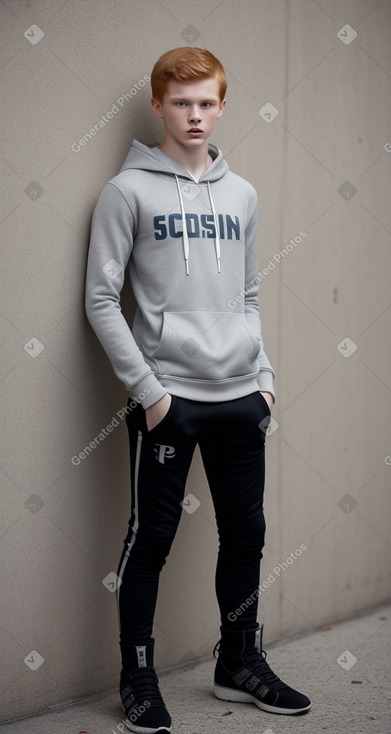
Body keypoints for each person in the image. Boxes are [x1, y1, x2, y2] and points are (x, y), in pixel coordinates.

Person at [85, 46, 311, 734]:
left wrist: (263, 382)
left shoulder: (240, 195)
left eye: (206, 102)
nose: (194, 115)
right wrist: (151, 393)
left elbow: (247, 294)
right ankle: (138, 676)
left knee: (248, 532)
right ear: (157, 105)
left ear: (221, 106)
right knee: (150, 538)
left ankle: (237, 662)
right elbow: (100, 299)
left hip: (240, 397)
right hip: (170, 404)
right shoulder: (127, 192)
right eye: (180, 102)